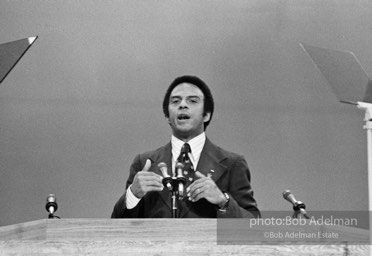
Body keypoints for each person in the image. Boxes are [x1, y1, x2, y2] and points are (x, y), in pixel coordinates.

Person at [111, 75, 260, 218]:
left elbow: (252, 225)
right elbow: (118, 227)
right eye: (175, 101)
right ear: (167, 117)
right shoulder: (144, 163)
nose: (183, 105)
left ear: (207, 114)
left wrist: (223, 201)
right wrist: (132, 195)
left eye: (192, 101)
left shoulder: (232, 164)